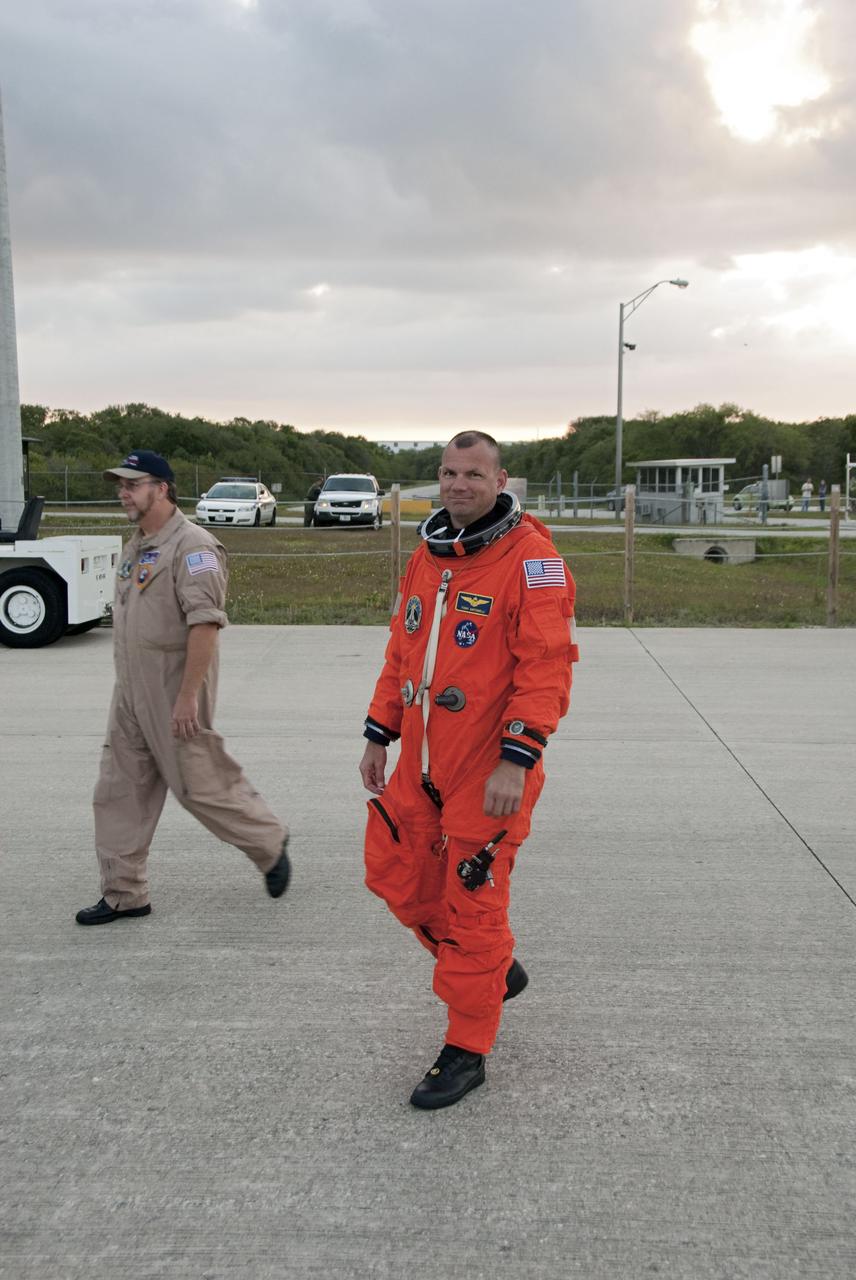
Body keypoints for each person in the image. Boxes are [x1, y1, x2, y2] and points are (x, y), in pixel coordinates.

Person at [358, 431, 578, 1109]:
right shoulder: (429, 556)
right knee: (393, 871)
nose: (459, 485)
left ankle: (467, 1046)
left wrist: (517, 758)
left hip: (489, 771)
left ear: (500, 480)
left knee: (474, 908)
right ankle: (491, 973)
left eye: (474, 475)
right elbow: (403, 651)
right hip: (422, 762)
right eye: (449, 473)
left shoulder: (533, 560)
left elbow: (546, 669)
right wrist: (379, 732)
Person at [76, 450, 291, 926]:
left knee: (197, 784)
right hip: (130, 687)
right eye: (120, 485)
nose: (123, 493)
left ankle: (268, 841)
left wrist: (187, 696)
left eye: (132, 485)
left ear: (162, 489)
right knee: (118, 789)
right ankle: (124, 894)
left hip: (175, 685)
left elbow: (205, 624)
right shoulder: (137, 545)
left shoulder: (193, 547)